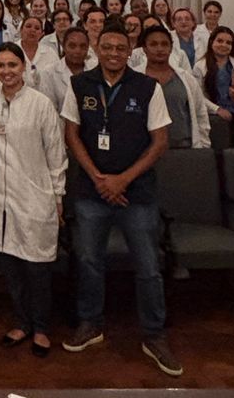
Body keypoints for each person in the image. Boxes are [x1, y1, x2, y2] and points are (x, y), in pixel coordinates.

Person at [61, 20, 180, 376]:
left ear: (130, 52)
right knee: (89, 261)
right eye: (107, 47)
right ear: (97, 49)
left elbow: (160, 142)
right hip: (91, 190)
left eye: (120, 48)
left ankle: (154, 334)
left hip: (136, 192)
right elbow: (72, 135)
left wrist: (123, 180)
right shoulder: (79, 84)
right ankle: (90, 323)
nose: (113, 54)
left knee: (148, 266)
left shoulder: (147, 87)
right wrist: (99, 178)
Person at [0, 42, 67, 354]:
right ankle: (21, 322)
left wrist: (57, 194)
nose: (6, 71)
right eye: (0, 66)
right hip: (0, 196)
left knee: (36, 266)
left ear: (23, 67)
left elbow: (55, 153)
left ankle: (41, 327)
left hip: (34, 194)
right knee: (10, 264)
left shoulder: (40, 104)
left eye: (12, 65)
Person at [137, 25, 208, 149]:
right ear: (144, 48)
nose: (160, 49)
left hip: (183, 147)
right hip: (144, 149)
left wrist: (203, 145)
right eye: (153, 44)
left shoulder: (186, 79)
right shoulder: (134, 78)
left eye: (164, 44)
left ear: (171, 48)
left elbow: (200, 113)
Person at [193, 26, 234, 139]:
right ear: (211, 42)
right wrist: (217, 109)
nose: (224, 45)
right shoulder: (200, 66)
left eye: (228, 43)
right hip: (213, 115)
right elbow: (198, 96)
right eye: (220, 41)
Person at [38, 23, 94, 112]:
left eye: (83, 46)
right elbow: (48, 110)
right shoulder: (49, 73)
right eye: (72, 46)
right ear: (64, 46)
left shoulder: (94, 70)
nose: (77, 51)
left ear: (88, 48)